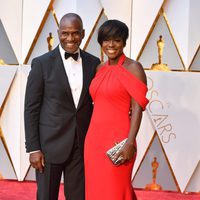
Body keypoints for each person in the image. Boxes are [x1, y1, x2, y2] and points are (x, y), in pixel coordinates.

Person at [24, 13, 100, 200]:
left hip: (80, 145)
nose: (70, 38)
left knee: (78, 197)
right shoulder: (41, 63)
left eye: (75, 33)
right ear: (58, 33)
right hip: (49, 146)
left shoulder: (93, 63)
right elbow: (31, 108)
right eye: (65, 33)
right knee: (46, 196)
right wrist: (33, 148)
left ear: (83, 34)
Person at [84, 19, 149, 200]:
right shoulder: (99, 68)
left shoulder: (133, 67)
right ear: (101, 43)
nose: (111, 45)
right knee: (96, 189)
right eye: (106, 40)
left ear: (124, 42)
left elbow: (137, 108)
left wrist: (130, 142)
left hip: (119, 141)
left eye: (117, 40)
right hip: (94, 141)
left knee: (116, 190)